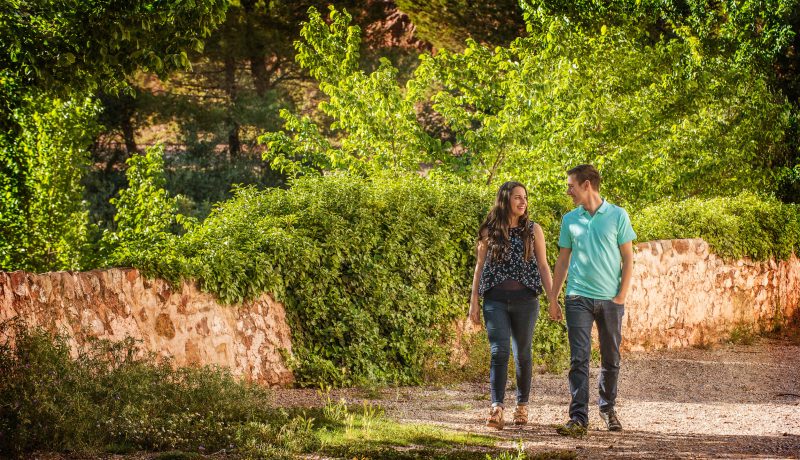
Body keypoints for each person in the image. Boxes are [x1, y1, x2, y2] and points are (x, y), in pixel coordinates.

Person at [548, 164, 636, 436]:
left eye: (571, 186)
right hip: (578, 298)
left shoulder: (618, 215)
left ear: (587, 185)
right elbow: (563, 260)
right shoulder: (569, 220)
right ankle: (578, 418)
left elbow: (628, 257)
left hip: (610, 299)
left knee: (611, 357)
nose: (568, 191)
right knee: (579, 359)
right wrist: (553, 297)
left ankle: (607, 409)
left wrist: (621, 294)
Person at [468, 181, 557, 430]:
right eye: (517, 197)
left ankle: (522, 405)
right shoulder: (489, 230)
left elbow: (543, 266)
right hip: (494, 300)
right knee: (499, 352)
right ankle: (496, 407)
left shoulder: (533, 230)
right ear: (505, 199)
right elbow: (480, 267)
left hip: (526, 301)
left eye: (525, 197)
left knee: (523, 354)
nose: (522, 201)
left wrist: (552, 299)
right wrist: (473, 302)